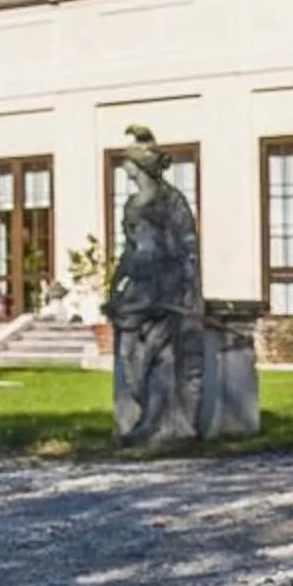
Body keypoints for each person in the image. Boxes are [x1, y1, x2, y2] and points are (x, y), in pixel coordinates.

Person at [104, 127, 201, 447]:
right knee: (129, 353)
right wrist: (116, 284)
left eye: (128, 161)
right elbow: (129, 249)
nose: (124, 167)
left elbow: (188, 244)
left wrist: (188, 286)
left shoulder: (171, 200)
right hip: (138, 287)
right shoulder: (131, 205)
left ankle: (155, 424)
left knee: (160, 355)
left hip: (165, 285)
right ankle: (139, 414)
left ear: (140, 165)